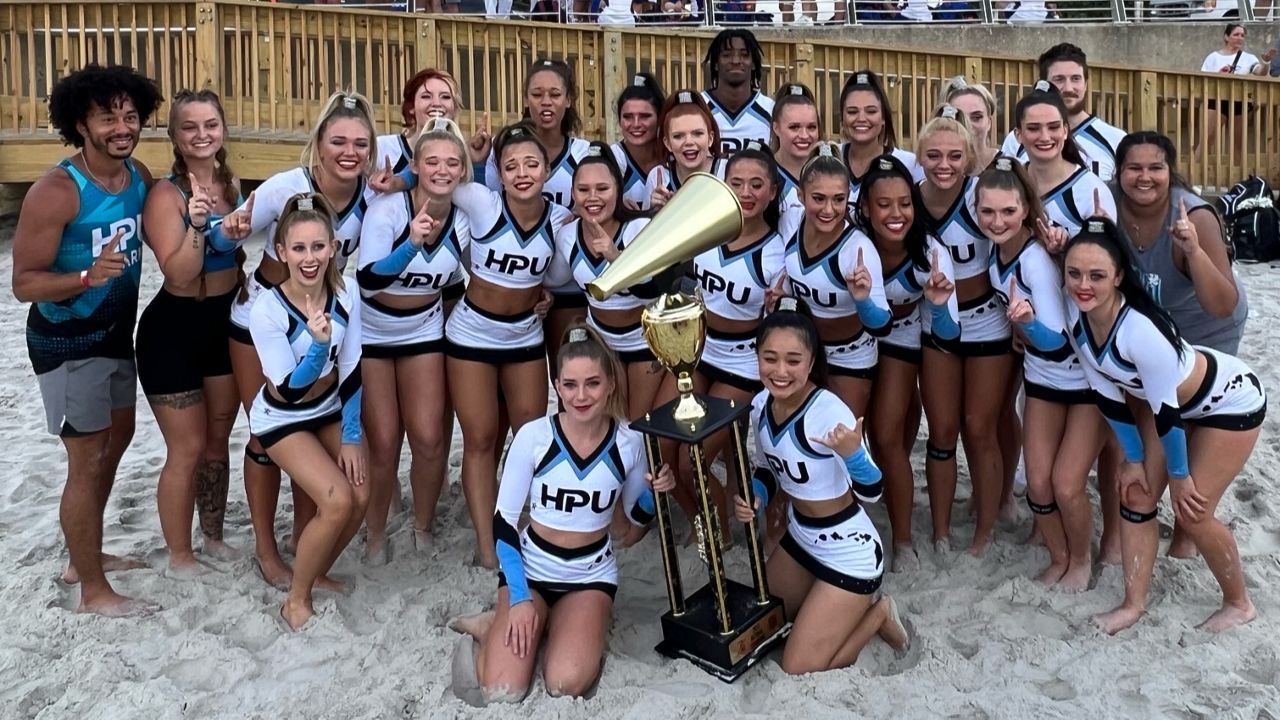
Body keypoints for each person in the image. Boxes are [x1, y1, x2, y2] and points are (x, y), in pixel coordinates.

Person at [1063, 218, 1265, 635]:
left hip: (1230, 402)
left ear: (1118, 277)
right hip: (1176, 409)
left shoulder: (1140, 331)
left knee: (1192, 511)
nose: (1084, 284)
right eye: (1074, 273)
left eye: (1097, 275)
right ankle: (1133, 604)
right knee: (1136, 496)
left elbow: (1166, 414)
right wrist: (1133, 460)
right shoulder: (1079, 321)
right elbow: (1108, 399)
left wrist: (1180, 476)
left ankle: (1239, 603)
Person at [449, 325, 671, 703]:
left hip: (590, 576)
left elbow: (635, 518)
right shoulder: (534, 437)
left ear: (611, 385)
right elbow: (503, 524)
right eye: (570, 385)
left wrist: (655, 493)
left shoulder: (630, 441)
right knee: (504, 689)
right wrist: (518, 598)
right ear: (556, 386)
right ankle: (493, 626)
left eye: (592, 384)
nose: (581, 395)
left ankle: (565, 626)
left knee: (565, 684)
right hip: (532, 573)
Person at [12, 64, 161, 615]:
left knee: (115, 442)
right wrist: (84, 277)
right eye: (108, 117)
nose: (123, 127)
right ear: (82, 124)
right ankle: (93, 590)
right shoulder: (56, 191)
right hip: (66, 341)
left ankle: (85, 555)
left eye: (130, 115)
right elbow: (23, 282)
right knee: (86, 457)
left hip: (118, 336)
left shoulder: (137, 175)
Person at [220, 90, 378, 589]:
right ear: (318, 143)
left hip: (322, 319)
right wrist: (227, 235)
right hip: (261, 322)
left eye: (359, 143)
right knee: (269, 436)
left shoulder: (370, 193)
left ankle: (304, 543)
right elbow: (230, 235)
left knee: (314, 425)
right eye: (337, 141)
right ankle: (268, 550)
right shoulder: (286, 187)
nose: (348, 152)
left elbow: (428, 150)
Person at [735, 300, 907, 674]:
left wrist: (853, 456)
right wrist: (756, 497)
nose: (780, 371)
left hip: (849, 553)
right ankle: (823, 601)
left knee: (798, 665)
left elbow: (873, 489)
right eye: (770, 358)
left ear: (812, 362)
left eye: (793, 361)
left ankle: (878, 614)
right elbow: (769, 469)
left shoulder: (829, 411)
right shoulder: (761, 403)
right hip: (801, 540)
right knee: (760, 628)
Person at [446, 122, 575, 569]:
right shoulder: (484, 203)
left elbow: (557, 276)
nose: (522, 172)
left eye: (532, 163)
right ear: (498, 173)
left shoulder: (559, 218)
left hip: (523, 336)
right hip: (472, 337)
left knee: (533, 436)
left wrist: (548, 295)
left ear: (547, 168)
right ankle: (487, 545)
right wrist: (475, 162)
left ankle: (530, 525)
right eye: (511, 165)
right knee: (480, 440)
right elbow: (439, 179)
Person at [979, 158, 1102, 591]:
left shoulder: (1034, 259)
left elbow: (1056, 339)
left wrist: (1026, 325)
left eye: (1008, 212)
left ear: (1027, 210)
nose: (997, 221)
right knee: (1037, 484)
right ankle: (1059, 556)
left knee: (1067, 484)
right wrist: (1021, 329)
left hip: (1083, 382)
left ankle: (1082, 560)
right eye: (988, 212)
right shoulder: (997, 252)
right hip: (1042, 381)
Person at [249, 193, 368, 631]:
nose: (309, 257)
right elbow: (288, 390)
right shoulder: (266, 309)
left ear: (334, 247)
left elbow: (353, 365)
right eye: (298, 248)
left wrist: (352, 435)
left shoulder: (346, 290)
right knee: (336, 501)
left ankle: (315, 570)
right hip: (282, 417)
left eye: (318, 247)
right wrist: (318, 348)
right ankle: (296, 600)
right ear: (281, 252)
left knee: (361, 493)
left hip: (330, 406)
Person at [355, 118, 472, 562]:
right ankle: (377, 532)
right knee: (383, 442)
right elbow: (368, 280)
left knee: (427, 438)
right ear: (417, 167)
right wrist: (409, 243)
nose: (442, 170)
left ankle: (422, 525)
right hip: (374, 332)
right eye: (433, 161)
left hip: (424, 328)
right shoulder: (389, 210)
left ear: (462, 170)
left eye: (452, 163)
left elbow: (474, 274)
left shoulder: (462, 218)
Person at [135, 89, 242, 571]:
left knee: (218, 440)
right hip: (173, 330)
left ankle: (213, 536)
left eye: (211, 126)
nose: (202, 136)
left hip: (225, 324)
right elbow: (178, 273)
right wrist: (198, 225)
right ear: (174, 136)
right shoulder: (165, 194)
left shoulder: (230, 182)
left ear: (223, 129)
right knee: (186, 449)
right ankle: (180, 554)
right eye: (190, 127)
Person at [917, 110, 1015, 556]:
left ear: (969, 156)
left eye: (954, 155)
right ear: (918, 156)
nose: (944, 164)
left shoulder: (982, 195)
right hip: (934, 322)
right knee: (941, 429)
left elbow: (1019, 232)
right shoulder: (908, 200)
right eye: (933, 154)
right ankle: (939, 530)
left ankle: (984, 531)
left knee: (979, 427)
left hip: (987, 322)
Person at [862, 153, 959, 571]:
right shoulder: (851, 241)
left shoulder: (929, 252)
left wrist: (937, 306)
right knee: (867, 429)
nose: (896, 213)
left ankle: (903, 539)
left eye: (905, 202)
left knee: (886, 434)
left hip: (901, 337)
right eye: (884, 205)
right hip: (850, 339)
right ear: (865, 208)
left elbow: (949, 331)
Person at [485, 60, 592, 373]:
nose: (546, 102)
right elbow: (494, 212)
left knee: (570, 379)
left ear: (569, 99)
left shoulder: (585, 153)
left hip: (570, 287)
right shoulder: (501, 150)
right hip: (520, 284)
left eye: (555, 94)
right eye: (537, 94)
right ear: (525, 99)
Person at [547, 144, 659, 418]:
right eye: (583, 190)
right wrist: (540, 293)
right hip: (602, 343)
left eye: (603, 189)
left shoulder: (638, 229)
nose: (592, 197)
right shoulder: (568, 236)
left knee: (637, 427)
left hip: (643, 343)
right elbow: (554, 279)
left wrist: (614, 256)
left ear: (618, 191)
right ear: (572, 193)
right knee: (607, 425)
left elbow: (651, 291)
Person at [782, 143, 891, 419]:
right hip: (804, 353)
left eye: (838, 199)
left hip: (850, 358)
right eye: (818, 198)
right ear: (800, 195)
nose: (829, 209)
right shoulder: (791, 222)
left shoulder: (857, 250)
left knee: (843, 443)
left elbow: (882, 324)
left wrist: (863, 300)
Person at [1112, 132, 1247, 355]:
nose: (1145, 177)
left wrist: (1194, 253)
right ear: (1119, 172)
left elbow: (1222, 306)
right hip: (1152, 322)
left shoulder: (1196, 218)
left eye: (1156, 168)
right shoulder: (1106, 201)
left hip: (1206, 327)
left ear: (1170, 173)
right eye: (1134, 168)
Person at [999, 44, 1127, 182]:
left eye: (1076, 79)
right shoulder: (1016, 139)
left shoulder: (1115, 139)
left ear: (1086, 84)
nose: (1068, 88)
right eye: (1059, 79)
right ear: (1043, 84)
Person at [1014, 82, 1115, 237]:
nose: (1045, 137)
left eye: (1053, 127)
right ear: (1018, 135)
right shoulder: (1011, 180)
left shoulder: (1091, 191)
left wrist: (1065, 248)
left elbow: (1107, 256)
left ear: (1065, 131)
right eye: (1034, 128)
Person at [837, 71, 922, 204]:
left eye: (871, 111)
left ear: (883, 118)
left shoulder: (909, 164)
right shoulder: (831, 157)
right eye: (852, 112)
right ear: (842, 118)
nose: (861, 119)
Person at [1199, 24, 1274, 163]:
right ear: (1226, 37)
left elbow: (1260, 72)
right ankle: (1193, 176)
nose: (1240, 38)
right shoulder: (1213, 57)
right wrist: (1219, 74)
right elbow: (1202, 80)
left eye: (1242, 35)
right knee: (1207, 139)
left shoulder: (1248, 58)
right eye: (1236, 34)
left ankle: (1236, 179)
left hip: (1240, 102)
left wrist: (1266, 62)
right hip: (1217, 100)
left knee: (1237, 144)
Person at [642, 90, 727, 211]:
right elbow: (644, 227)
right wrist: (653, 212)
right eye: (678, 136)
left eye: (697, 133)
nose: (689, 142)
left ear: (710, 138)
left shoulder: (726, 172)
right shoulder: (658, 177)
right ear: (667, 143)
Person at [700, 29, 774, 155]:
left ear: (754, 64)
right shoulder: (699, 106)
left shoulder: (771, 110)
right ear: (716, 64)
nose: (735, 61)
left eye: (744, 55)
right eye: (727, 55)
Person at [610, 73, 666, 209]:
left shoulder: (674, 155)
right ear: (619, 120)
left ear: (660, 118)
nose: (636, 124)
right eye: (628, 117)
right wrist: (615, 208)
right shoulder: (612, 157)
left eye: (645, 116)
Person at [770, 83, 821, 213]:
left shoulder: (828, 171)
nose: (804, 135)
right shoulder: (765, 172)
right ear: (776, 128)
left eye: (811, 127)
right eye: (794, 127)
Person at [937, 77, 999, 170]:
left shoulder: (1013, 169)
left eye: (976, 117)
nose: (968, 125)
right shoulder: (935, 170)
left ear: (989, 122)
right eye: (959, 117)